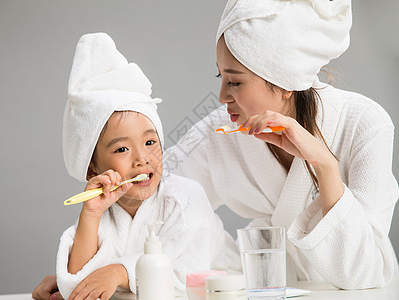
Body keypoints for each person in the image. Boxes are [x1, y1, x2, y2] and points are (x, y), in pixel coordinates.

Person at [33, 0, 399, 297]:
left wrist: (325, 165)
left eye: (235, 81)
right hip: (261, 287)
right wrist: (81, 273)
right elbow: (148, 204)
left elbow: (367, 271)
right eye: (220, 78)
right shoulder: (219, 131)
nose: (222, 96)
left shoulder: (366, 125)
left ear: (285, 82)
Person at [41, 32, 239, 300]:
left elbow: (187, 274)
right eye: (122, 149)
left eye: (150, 142)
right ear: (92, 168)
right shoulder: (103, 214)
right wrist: (90, 215)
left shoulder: (184, 198)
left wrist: (120, 272)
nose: (142, 159)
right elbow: (79, 284)